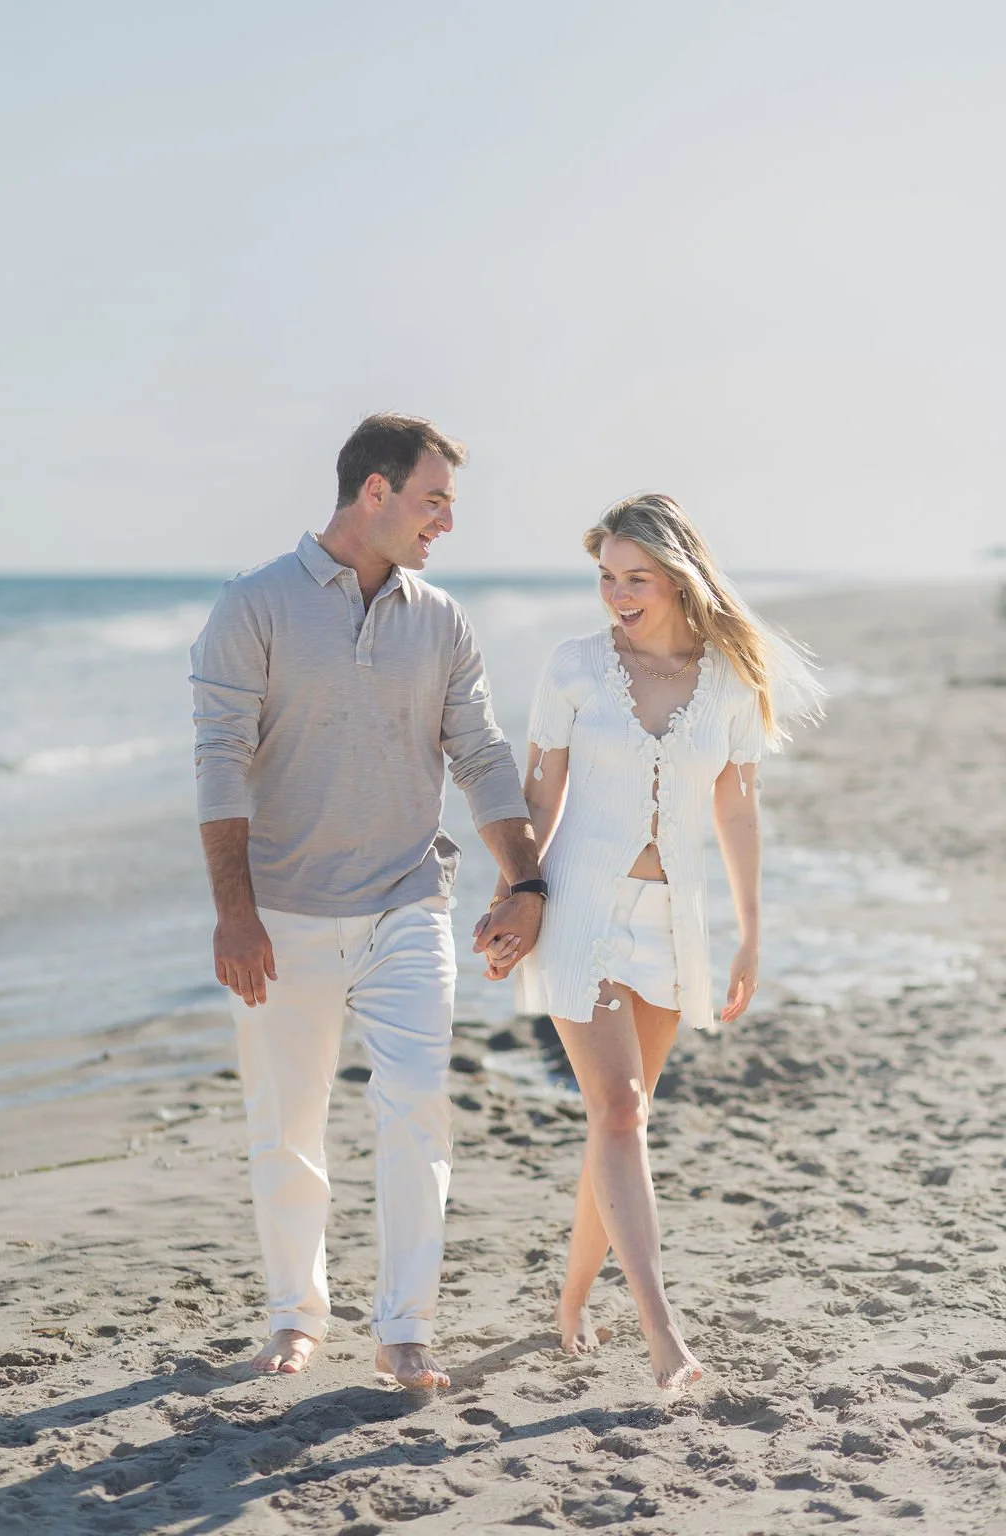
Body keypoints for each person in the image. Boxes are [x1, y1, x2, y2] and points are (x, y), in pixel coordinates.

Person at [190, 414, 545, 1389]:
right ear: (374, 493)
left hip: (405, 902)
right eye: (433, 500)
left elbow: (477, 754)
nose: (445, 522)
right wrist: (235, 912)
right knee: (287, 1127)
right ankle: (295, 1318)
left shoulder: (440, 620)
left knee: (417, 1108)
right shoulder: (254, 605)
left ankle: (403, 1330)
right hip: (282, 914)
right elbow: (220, 761)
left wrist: (524, 879)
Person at [475, 493, 822, 1391]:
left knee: (618, 1123)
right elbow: (538, 796)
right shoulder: (576, 667)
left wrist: (751, 933)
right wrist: (516, 894)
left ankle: (572, 1300)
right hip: (582, 911)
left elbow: (737, 805)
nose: (617, 596)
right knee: (620, 1110)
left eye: (636, 578)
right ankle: (664, 1333)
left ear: (677, 577)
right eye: (606, 579)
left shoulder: (731, 680)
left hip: (676, 923)